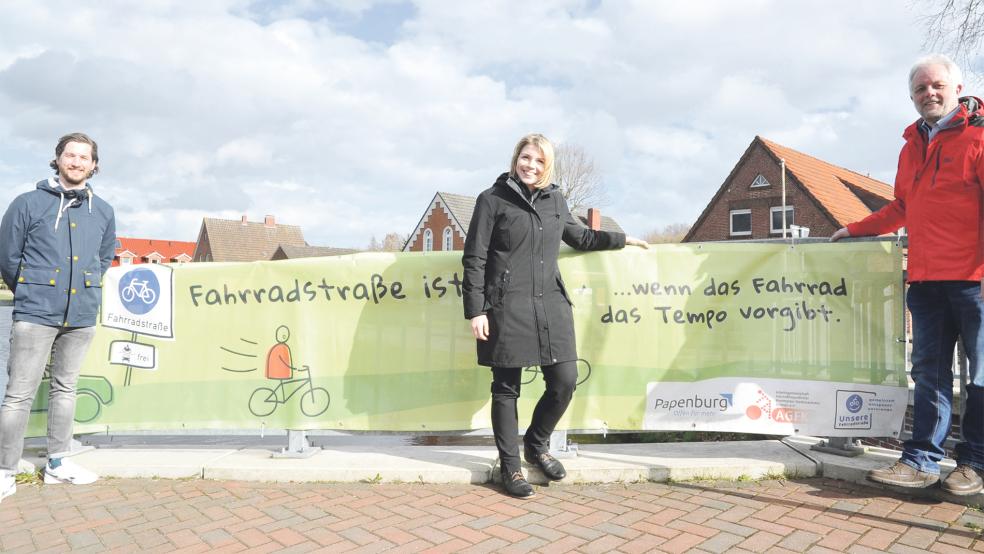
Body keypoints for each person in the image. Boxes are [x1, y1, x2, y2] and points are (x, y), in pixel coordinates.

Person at [831, 54, 984, 495]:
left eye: (936, 85)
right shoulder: (910, 145)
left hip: (975, 280)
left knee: (980, 376)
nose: (928, 94)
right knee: (929, 374)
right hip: (926, 280)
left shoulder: (978, 136)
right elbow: (902, 206)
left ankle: (974, 462)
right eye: (919, 89)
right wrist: (855, 228)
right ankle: (921, 460)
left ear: (956, 88)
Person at [462, 133, 647, 498]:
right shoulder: (492, 200)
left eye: (539, 161)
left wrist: (623, 239)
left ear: (548, 166)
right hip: (506, 307)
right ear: (516, 159)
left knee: (565, 380)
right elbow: (474, 258)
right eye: (525, 158)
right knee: (506, 389)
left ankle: (536, 444)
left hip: (552, 306)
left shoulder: (556, 201)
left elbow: (583, 239)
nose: (530, 166)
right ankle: (511, 469)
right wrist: (476, 309)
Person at [0, 133, 116, 501]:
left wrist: (88, 291)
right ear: (58, 159)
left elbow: (103, 256)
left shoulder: (104, 211)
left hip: (80, 314)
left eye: (85, 157)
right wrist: (31, 290)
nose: (77, 162)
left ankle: (58, 463)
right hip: (36, 312)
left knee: (66, 390)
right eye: (71, 155)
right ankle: (4, 470)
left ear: (94, 165)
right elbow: (7, 257)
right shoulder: (27, 203)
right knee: (18, 394)